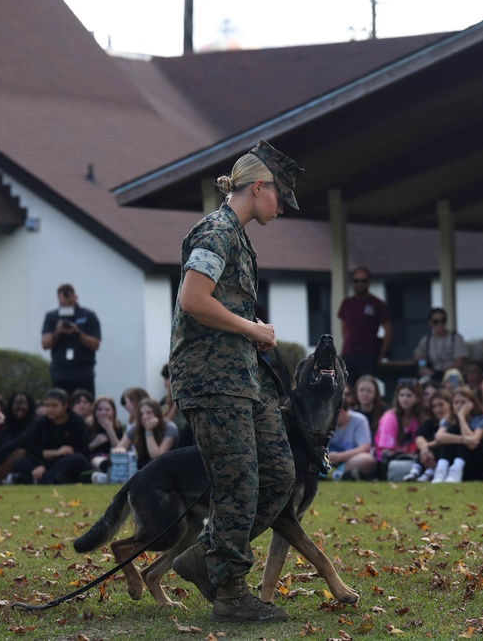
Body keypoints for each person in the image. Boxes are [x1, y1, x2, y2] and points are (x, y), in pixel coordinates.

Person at [168, 140, 302, 624]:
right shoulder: (216, 231)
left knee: (280, 475)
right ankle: (228, 591)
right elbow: (193, 299)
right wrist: (251, 328)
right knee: (238, 485)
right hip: (210, 380)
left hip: (242, 377)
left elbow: (220, 305)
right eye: (280, 197)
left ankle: (206, 557)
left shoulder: (239, 237)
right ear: (259, 187)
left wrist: (250, 330)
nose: (281, 207)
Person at [0, 388, 91, 485]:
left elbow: (76, 450)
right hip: (46, 460)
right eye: (47, 406)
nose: (50, 409)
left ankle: (41, 479)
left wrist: (45, 467)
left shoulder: (76, 422)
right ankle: (51, 479)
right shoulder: (42, 422)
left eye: (54, 406)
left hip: (67, 461)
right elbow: (29, 444)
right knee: (20, 463)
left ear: (65, 405)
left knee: (77, 459)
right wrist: (55, 453)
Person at [40, 283, 102, 395]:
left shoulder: (88, 315)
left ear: (75, 297)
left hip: (83, 372)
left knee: (83, 404)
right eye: (63, 303)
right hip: (60, 373)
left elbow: (95, 344)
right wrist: (57, 333)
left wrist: (78, 333)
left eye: (69, 303)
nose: (66, 306)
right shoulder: (52, 316)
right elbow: (45, 344)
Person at [338, 267, 393, 385]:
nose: (359, 284)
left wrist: (382, 355)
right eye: (356, 281)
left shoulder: (377, 304)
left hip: (368, 355)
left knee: (365, 389)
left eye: (363, 281)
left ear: (368, 282)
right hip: (348, 354)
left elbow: (388, 330)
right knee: (346, 389)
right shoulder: (347, 303)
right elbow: (344, 326)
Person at [431, 387, 483, 482]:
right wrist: (463, 439)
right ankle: (441, 470)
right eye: (456, 402)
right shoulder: (448, 420)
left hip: (476, 462)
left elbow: (473, 443)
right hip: (453, 458)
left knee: (460, 431)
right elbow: (439, 437)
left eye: (463, 402)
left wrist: (461, 417)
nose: (459, 406)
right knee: (453, 430)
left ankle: (456, 471)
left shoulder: (480, 419)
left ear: (471, 404)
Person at [374, 378, 422, 476]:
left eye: (409, 395)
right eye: (401, 395)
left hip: (414, 459)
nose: (404, 399)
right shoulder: (389, 417)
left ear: (417, 398)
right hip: (390, 462)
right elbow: (386, 450)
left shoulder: (420, 418)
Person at [414, 307, 467, 380]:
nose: (440, 324)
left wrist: (442, 373)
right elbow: (419, 356)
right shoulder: (426, 340)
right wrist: (423, 367)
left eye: (443, 321)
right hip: (431, 376)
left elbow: (459, 362)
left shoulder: (455, 338)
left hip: (451, 376)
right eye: (436, 321)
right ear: (430, 323)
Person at [403, 389, 445, 483]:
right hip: (428, 456)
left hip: (447, 458)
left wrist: (428, 445)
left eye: (441, 405)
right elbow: (419, 436)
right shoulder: (430, 422)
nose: (437, 409)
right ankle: (416, 470)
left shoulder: (453, 424)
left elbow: (441, 439)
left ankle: (429, 471)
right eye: (434, 406)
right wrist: (425, 448)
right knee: (425, 442)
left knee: (434, 442)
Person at [328, 401, 375, 481]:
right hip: (328, 461)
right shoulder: (325, 422)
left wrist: (340, 456)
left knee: (367, 459)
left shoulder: (360, 420)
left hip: (349, 461)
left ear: (341, 411)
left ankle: (335, 474)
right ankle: (342, 475)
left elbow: (365, 448)